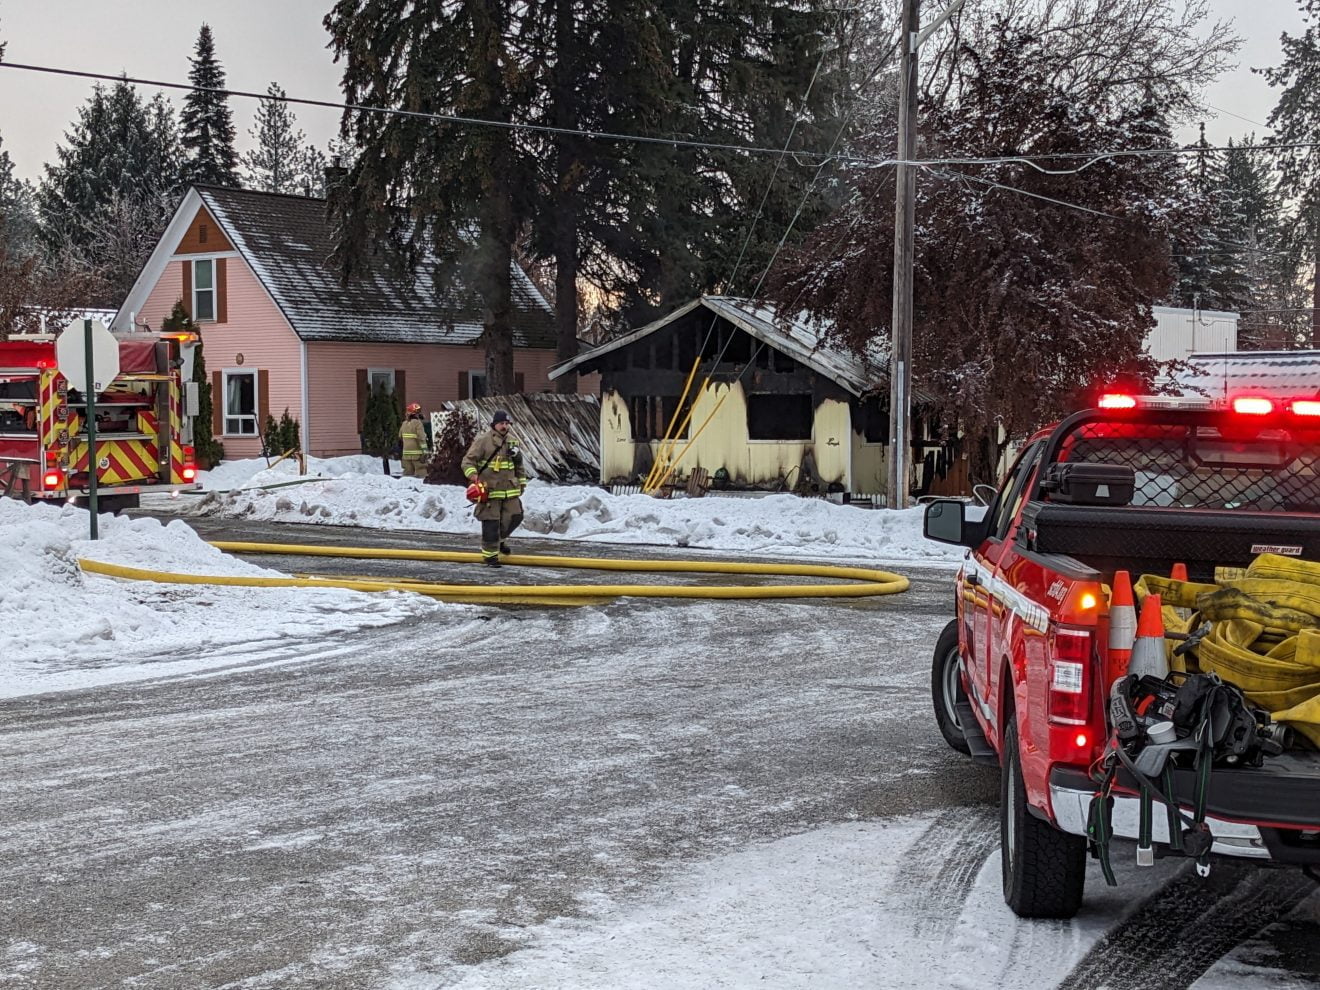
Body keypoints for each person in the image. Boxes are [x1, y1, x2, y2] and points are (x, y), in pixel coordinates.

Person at [461, 409, 527, 566]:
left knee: (515, 517)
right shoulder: (483, 441)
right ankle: (490, 557)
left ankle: (500, 540)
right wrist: (473, 476)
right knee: (491, 524)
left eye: (506, 423)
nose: (504, 426)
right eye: (501, 423)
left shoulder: (513, 441)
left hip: (510, 491)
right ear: (494, 424)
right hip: (490, 491)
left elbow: (519, 465)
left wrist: (522, 483)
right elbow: (467, 462)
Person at [399, 403, 430, 478]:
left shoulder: (404, 424)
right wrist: (425, 451)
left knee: (407, 473)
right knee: (421, 472)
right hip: (417, 454)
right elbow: (421, 438)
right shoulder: (418, 424)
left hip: (406, 454)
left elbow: (400, 436)